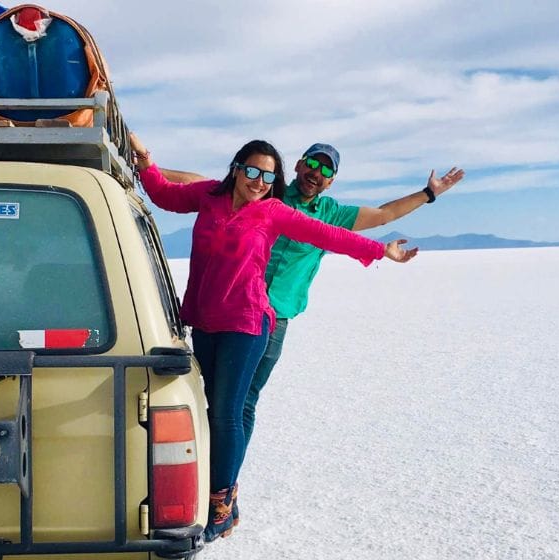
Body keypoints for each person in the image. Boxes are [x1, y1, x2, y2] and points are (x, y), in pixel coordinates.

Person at [130, 134, 417, 542]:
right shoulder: (209, 197)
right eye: (252, 171)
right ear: (236, 169)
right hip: (205, 319)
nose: (258, 181)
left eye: (267, 175)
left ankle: (221, 506)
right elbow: (164, 195)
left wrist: (378, 250)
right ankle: (223, 494)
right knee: (211, 407)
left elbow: (328, 236)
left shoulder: (272, 212)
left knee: (227, 412)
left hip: (247, 322)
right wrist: (144, 163)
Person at [162, 144, 463, 449]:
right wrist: (149, 168)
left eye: (326, 171)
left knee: (243, 403)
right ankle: (216, 476)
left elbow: (384, 215)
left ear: (331, 181)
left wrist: (428, 194)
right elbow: (201, 183)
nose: (316, 174)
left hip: (274, 318)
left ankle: (226, 486)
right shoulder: (269, 193)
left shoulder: (332, 214)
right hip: (230, 307)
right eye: (312, 165)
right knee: (216, 401)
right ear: (297, 166)